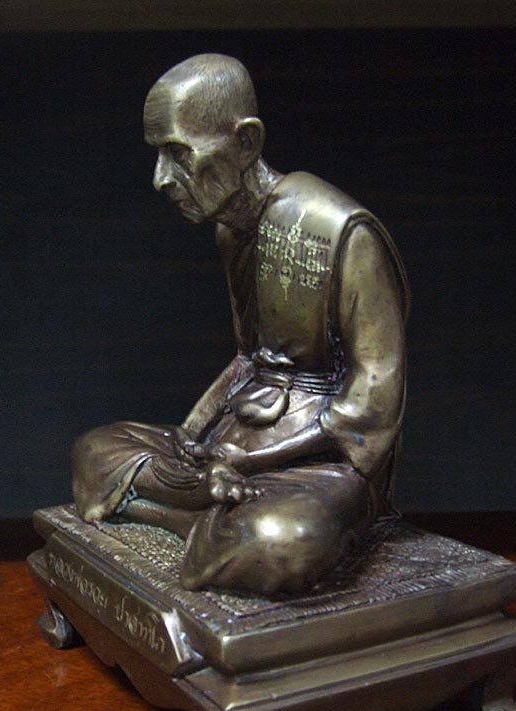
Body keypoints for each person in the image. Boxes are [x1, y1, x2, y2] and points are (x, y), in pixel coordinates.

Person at [71, 54, 409, 596]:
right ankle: (209, 514)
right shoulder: (232, 230)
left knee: (280, 539)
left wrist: (250, 460)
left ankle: (183, 517)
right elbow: (248, 359)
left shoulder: (345, 234)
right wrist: (190, 438)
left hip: (317, 459)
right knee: (96, 449)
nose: (161, 179)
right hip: (234, 442)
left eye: (179, 154)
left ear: (246, 143)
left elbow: (371, 407)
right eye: (158, 155)